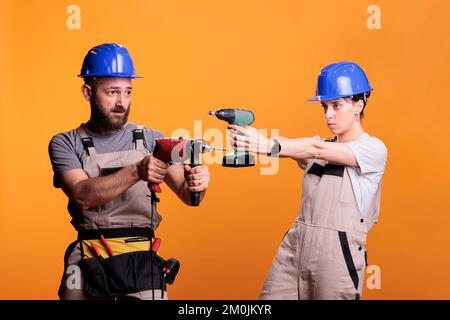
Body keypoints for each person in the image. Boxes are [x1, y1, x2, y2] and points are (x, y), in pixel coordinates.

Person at [48, 43, 210, 300]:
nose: (121, 102)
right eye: (112, 92)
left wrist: (197, 184)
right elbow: (82, 195)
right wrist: (137, 170)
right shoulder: (66, 143)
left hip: (141, 261)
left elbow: (188, 195)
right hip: (88, 256)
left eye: (128, 92)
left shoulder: (152, 140)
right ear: (88, 92)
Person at [229, 62, 387, 300]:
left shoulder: (373, 150)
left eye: (336, 105)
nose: (328, 115)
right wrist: (254, 138)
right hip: (295, 248)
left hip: (337, 256)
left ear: (358, 105)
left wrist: (268, 145)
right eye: (324, 106)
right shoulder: (320, 143)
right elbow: (295, 145)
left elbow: (315, 150)